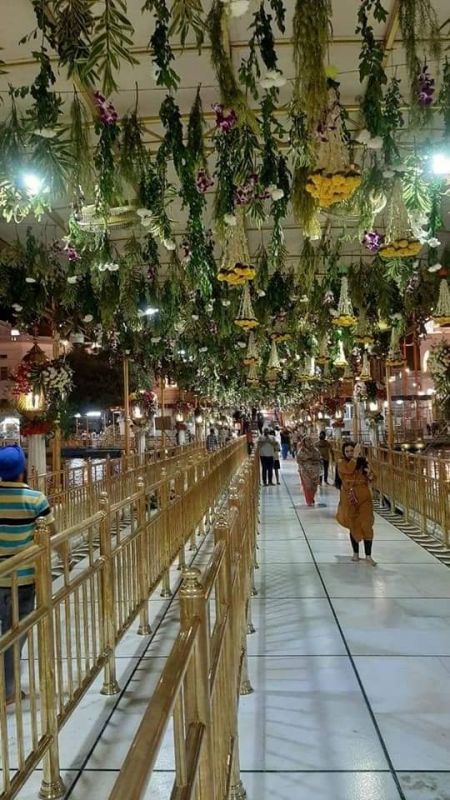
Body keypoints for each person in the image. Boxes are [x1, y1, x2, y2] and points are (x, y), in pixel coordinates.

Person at [0, 445, 56, 705]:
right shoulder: (35, 499)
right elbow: (52, 533)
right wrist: (65, 559)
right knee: (16, 632)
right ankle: (8, 689)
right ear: (23, 470)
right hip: (22, 578)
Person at [336, 441, 376, 566]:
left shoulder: (363, 462)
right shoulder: (341, 463)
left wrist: (369, 473)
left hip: (364, 497)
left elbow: (374, 477)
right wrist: (355, 457)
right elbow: (348, 470)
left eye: (351, 451)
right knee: (353, 524)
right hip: (349, 497)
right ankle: (356, 553)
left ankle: (368, 555)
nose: (349, 453)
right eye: (347, 451)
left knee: (366, 524)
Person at [297, 436, 321, 506]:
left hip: (314, 470)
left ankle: (311, 497)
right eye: (306, 441)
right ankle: (309, 500)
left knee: (314, 486)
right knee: (308, 485)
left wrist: (314, 461)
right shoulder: (301, 450)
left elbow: (318, 458)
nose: (308, 442)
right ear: (304, 442)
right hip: (304, 470)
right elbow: (299, 460)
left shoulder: (315, 450)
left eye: (309, 440)